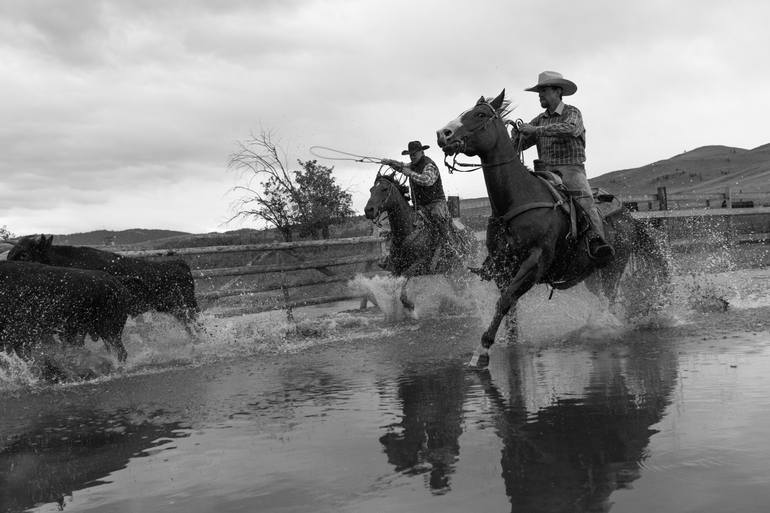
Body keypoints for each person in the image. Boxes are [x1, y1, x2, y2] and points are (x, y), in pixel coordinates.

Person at [512, 71, 614, 261]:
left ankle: (597, 241)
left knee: (585, 201)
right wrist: (516, 135)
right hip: (544, 172)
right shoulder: (539, 119)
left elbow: (570, 128)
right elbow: (522, 144)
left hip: (571, 169)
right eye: (539, 91)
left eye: (544, 90)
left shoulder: (572, 112)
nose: (540, 95)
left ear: (558, 91)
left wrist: (536, 130)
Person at [381, 140, 452, 245]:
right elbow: (401, 166)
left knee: (437, 216)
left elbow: (427, 180)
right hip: (420, 206)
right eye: (410, 155)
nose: (412, 156)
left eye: (414, 154)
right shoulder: (412, 165)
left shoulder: (429, 165)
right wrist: (390, 162)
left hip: (436, 203)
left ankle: (448, 244)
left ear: (422, 152)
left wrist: (410, 173)